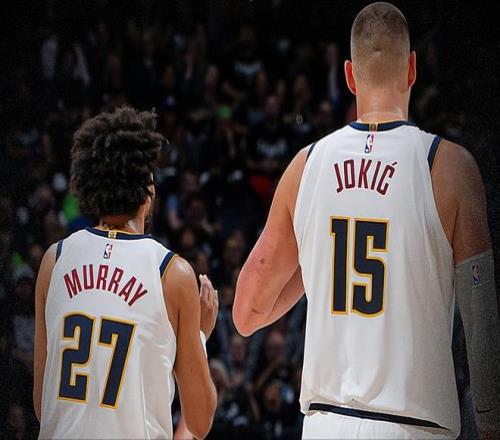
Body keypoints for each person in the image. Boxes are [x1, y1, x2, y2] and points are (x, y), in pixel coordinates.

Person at [233, 3, 499, 439]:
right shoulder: (449, 167)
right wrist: (489, 424)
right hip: (414, 426)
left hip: (325, 424)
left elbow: (247, 313)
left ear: (350, 76)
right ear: (412, 70)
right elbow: (482, 317)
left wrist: (315, 260)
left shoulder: (306, 165)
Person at [33, 107, 218, 439]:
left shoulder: (54, 261)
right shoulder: (171, 273)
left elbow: (42, 404)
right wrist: (199, 336)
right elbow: (200, 422)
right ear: (148, 192)